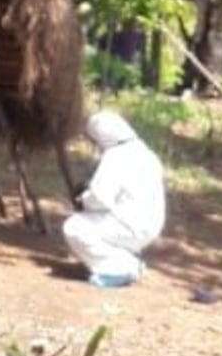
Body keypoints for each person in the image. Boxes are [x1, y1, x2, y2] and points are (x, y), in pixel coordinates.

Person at [62, 111, 166, 287]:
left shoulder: (115, 157)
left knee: (74, 227)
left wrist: (82, 199)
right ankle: (128, 259)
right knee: (96, 224)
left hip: (129, 225)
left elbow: (99, 198)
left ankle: (119, 268)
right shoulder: (147, 154)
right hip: (149, 225)